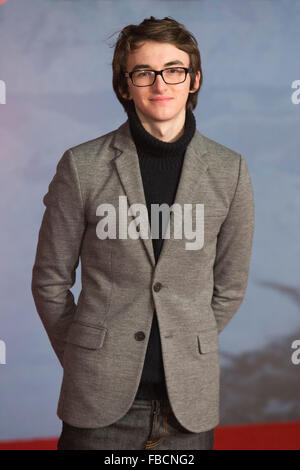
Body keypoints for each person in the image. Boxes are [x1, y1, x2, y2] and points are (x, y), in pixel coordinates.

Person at [31, 16, 255, 450]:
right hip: (98, 407)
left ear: (194, 80)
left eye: (174, 69)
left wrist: (186, 343)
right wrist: (87, 357)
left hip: (187, 409)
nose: (161, 83)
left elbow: (229, 287)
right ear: (123, 85)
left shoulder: (231, 171)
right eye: (144, 72)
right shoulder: (82, 166)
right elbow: (50, 282)